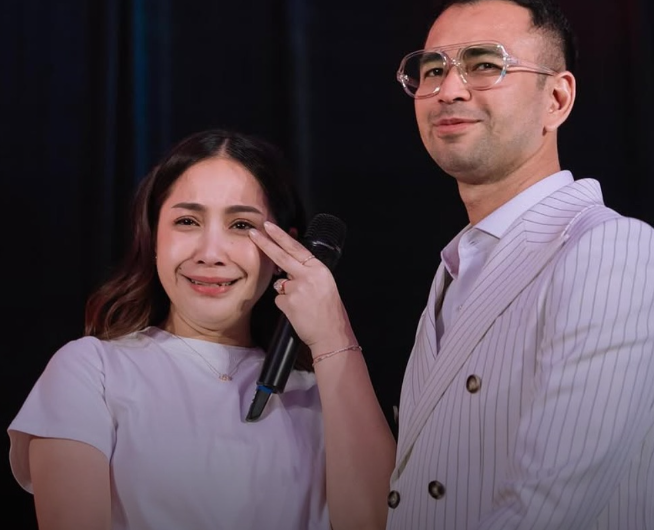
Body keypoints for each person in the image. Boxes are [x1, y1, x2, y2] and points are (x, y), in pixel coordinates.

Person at [7, 128, 396, 530]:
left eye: (241, 225)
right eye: (187, 221)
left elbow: (380, 522)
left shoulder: (322, 394)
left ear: (286, 249)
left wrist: (332, 337)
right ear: (153, 236)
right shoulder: (92, 370)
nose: (210, 254)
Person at [384, 0, 654, 528]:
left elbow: (548, 505)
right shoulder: (457, 265)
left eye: (486, 64)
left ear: (557, 98)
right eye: (432, 70)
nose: (449, 89)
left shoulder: (611, 248)